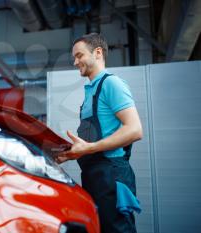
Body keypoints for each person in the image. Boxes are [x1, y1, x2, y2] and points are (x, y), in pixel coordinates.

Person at [56, 33, 143, 233]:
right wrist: (71, 152)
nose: (75, 62)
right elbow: (95, 138)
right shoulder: (90, 93)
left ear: (97, 53)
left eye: (79, 55)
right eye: (74, 58)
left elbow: (135, 129)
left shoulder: (111, 84)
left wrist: (90, 148)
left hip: (111, 174)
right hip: (93, 176)